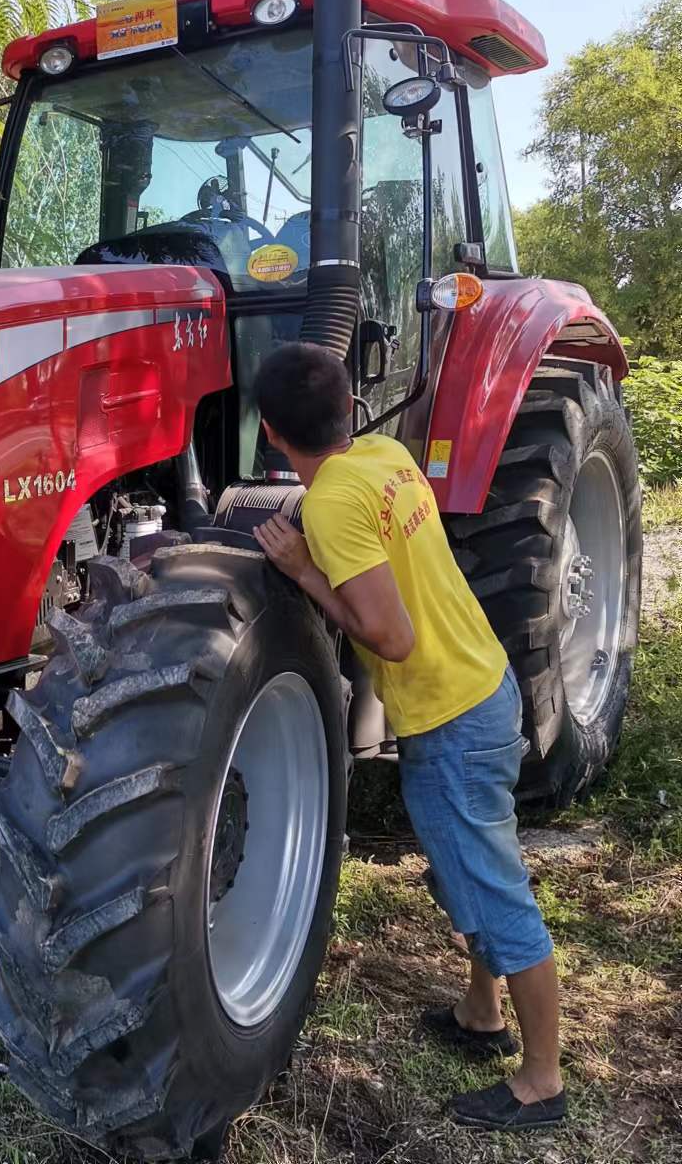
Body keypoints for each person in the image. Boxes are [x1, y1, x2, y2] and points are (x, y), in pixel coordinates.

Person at [251, 341, 566, 1131]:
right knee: (467, 870)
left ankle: (542, 1080)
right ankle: (481, 1013)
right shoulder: (385, 454)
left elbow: (387, 637)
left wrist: (303, 574)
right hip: (481, 684)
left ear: (269, 431)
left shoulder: (327, 505)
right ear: (349, 410)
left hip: (452, 717)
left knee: (494, 893)